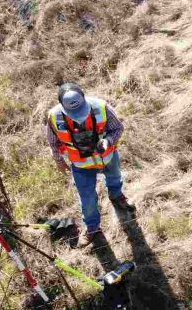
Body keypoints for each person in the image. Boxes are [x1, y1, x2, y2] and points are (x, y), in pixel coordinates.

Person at [46, 82, 136, 247]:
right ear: (62, 106)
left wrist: (108, 141)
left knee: (115, 178)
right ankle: (92, 228)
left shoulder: (101, 107)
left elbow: (118, 128)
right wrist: (59, 161)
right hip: (80, 165)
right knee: (87, 199)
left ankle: (117, 196)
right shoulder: (54, 117)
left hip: (108, 157)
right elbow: (53, 143)